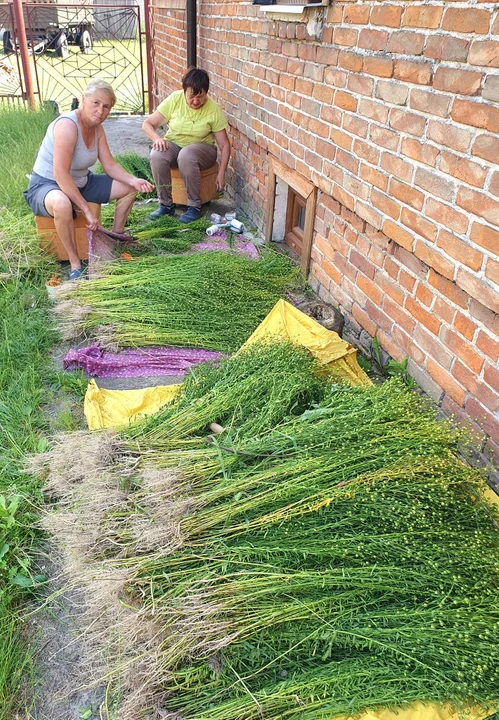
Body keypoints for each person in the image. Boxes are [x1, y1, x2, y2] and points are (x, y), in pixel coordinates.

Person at [24, 79, 154, 280]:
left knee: (128, 188)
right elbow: (60, 174)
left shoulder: (97, 128)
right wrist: (85, 209)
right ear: (83, 99)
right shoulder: (67, 126)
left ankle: (115, 238)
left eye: (106, 107)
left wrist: (133, 180)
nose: (100, 110)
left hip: (81, 181)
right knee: (62, 203)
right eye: (96, 103)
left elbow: (109, 164)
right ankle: (75, 263)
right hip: (48, 184)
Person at [142, 67, 230, 223]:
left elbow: (224, 145)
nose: (195, 101)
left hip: (203, 150)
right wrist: (157, 139)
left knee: (186, 154)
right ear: (184, 91)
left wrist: (222, 173)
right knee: (157, 154)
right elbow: (148, 124)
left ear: (206, 93)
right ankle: (165, 205)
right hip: (175, 145)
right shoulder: (175, 99)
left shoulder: (214, 109)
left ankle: (194, 206)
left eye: (200, 97)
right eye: (191, 96)